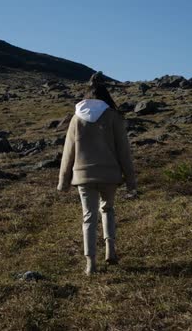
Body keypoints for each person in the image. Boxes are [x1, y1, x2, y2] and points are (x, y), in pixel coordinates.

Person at [57, 72, 137, 276]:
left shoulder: (76, 119)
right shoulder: (113, 117)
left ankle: (90, 263)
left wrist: (63, 182)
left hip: (83, 176)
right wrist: (131, 182)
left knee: (88, 217)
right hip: (110, 175)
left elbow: (68, 153)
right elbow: (124, 152)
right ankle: (110, 250)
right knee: (108, 209)